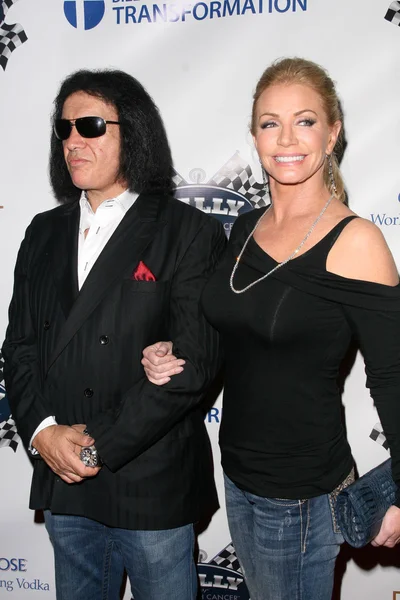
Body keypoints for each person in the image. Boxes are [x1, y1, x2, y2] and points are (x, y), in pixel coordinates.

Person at [141, 57, 400, 600]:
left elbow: (393, 377)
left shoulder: (356, 243)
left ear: (333, 135)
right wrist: (173, 349)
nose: (287, 138)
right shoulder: (243, 228)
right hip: (235, 472)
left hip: (304, 498)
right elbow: (232, 334)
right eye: (269, 122)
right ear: (255, 136)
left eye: (305, 121)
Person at [2, 69, 226, 600]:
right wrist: (43, 434)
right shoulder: (42, 231)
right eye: (65, 129)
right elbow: (20, 347)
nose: (74, 140)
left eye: (91, 125)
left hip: (149, 483)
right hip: (63, 476)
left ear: (135, 132)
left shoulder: (187, 232)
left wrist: (94, 447)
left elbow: (194, 365)